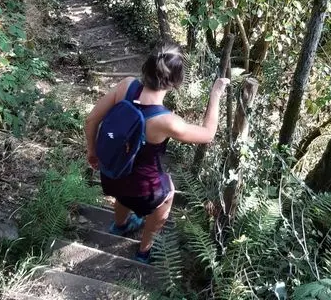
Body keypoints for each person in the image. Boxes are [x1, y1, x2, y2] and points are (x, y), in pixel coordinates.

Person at [84, 41, 229, 263]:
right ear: (176, 82)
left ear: (146, 68)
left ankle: (120, 225)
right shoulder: (167, 122)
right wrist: (216, 93)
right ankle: (144, 251)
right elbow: (208, 134)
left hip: (110, 172)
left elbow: (91, 119)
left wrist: (92, 153)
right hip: (142, 190)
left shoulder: (126, 86)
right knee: (168, 190)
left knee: (125, 178)